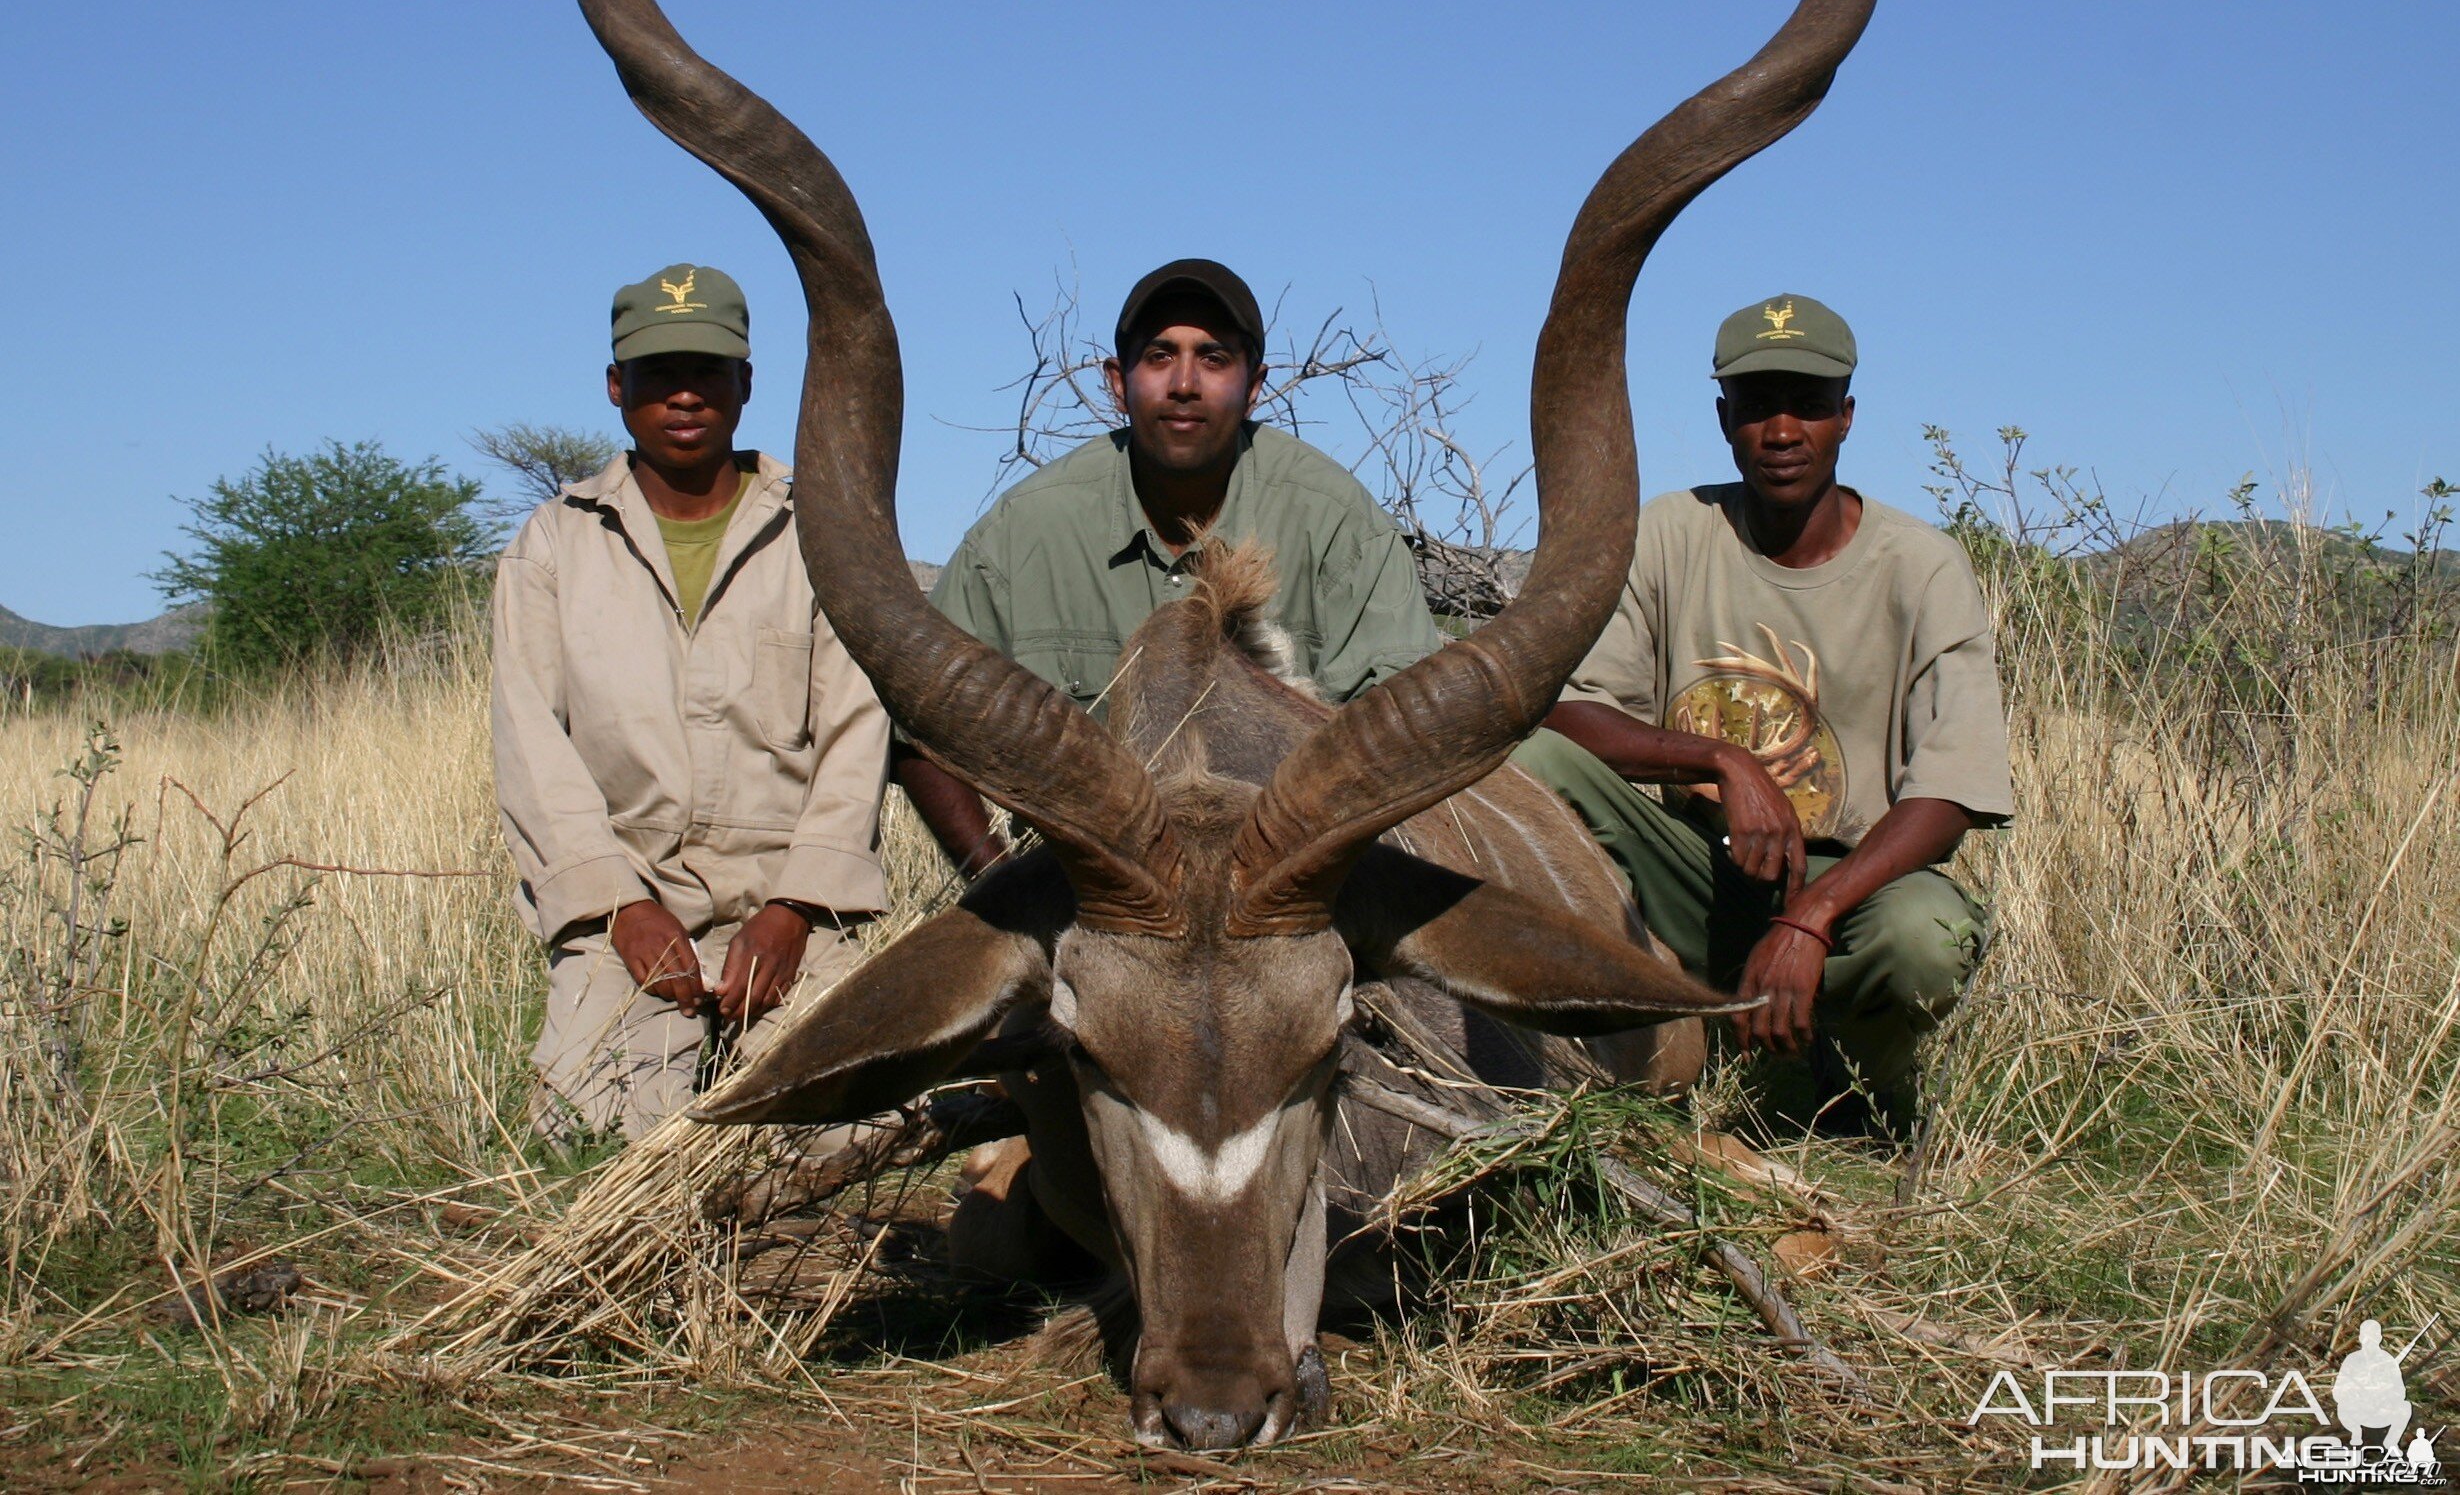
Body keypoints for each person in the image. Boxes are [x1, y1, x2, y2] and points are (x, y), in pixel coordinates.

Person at [1515, 293, 2012, 1130]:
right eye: (1756, 408)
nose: (1782, 432)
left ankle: (1855, 1082)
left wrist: (1810, 917)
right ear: (1724, 419)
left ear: (1846, 418)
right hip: (1697, 870)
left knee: (1926, 935)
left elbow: (1951, 794)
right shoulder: (1670, 532)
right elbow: (1567, 713)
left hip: (1848, 883)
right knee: (1527, 764)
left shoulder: (1921, 567)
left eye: (1809, 407)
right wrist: (1722, 762)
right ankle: (1612, 1049)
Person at [492, 262, 891, 1141]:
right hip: (628, 911)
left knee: (853, 1137)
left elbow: (859, 734)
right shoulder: (555, 544)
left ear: (744, 384)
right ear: (615, 386)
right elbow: (530, 746)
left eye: (707, 372)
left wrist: (794, 911)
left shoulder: (821, 528)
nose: (683, 396)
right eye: (656, 373)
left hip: (788, 909)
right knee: (591, 1140)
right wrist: (618, 907)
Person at [899, 259, 1445, 875]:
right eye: (1159, 357)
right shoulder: (1022, 532)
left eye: (1214, 359)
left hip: (1290, 889)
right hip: (1086, 894)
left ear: (1255, 385)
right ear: (1117, 381)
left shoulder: (1338, 520)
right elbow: (920, 732)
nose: (1184, 383)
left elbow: (1410, 729)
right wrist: (1001, 885)